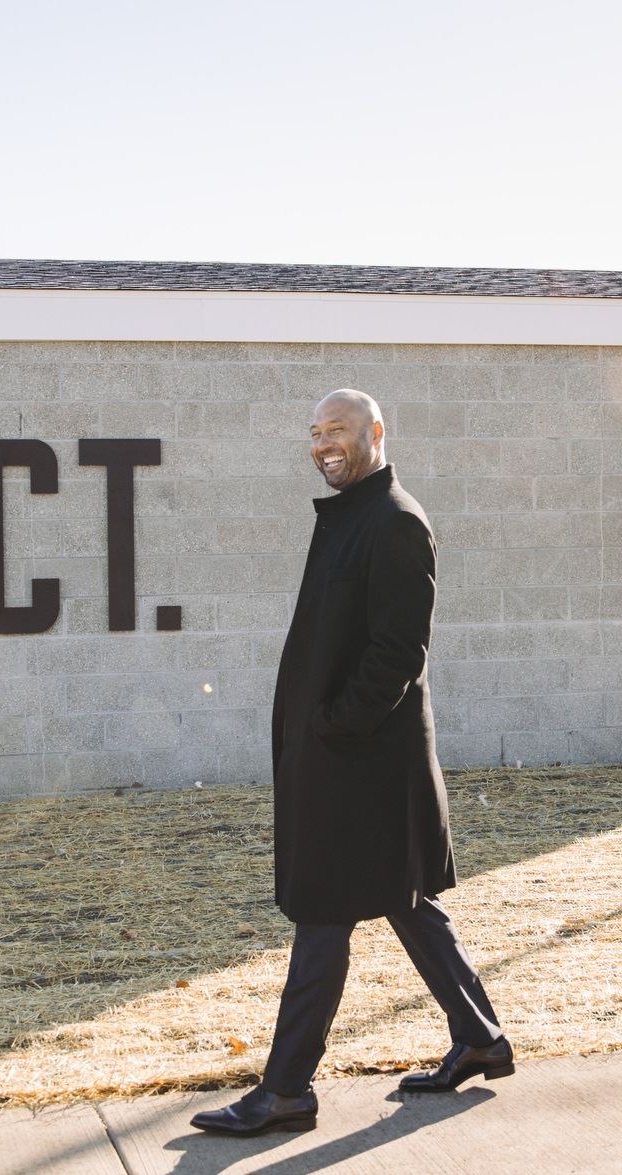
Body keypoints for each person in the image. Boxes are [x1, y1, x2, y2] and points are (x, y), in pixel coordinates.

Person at [190, 389, 511, 1138]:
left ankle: (287, 1088)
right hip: (345, 759)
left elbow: (398, 651)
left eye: (337, 429)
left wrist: (334, 726)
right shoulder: (350, 517)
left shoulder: (396, 521)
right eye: (313, 432)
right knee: (405, 899)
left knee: (324, 912)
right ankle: (483, 1039)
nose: (322, 443)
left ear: (375, 432)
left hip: (362, 766)